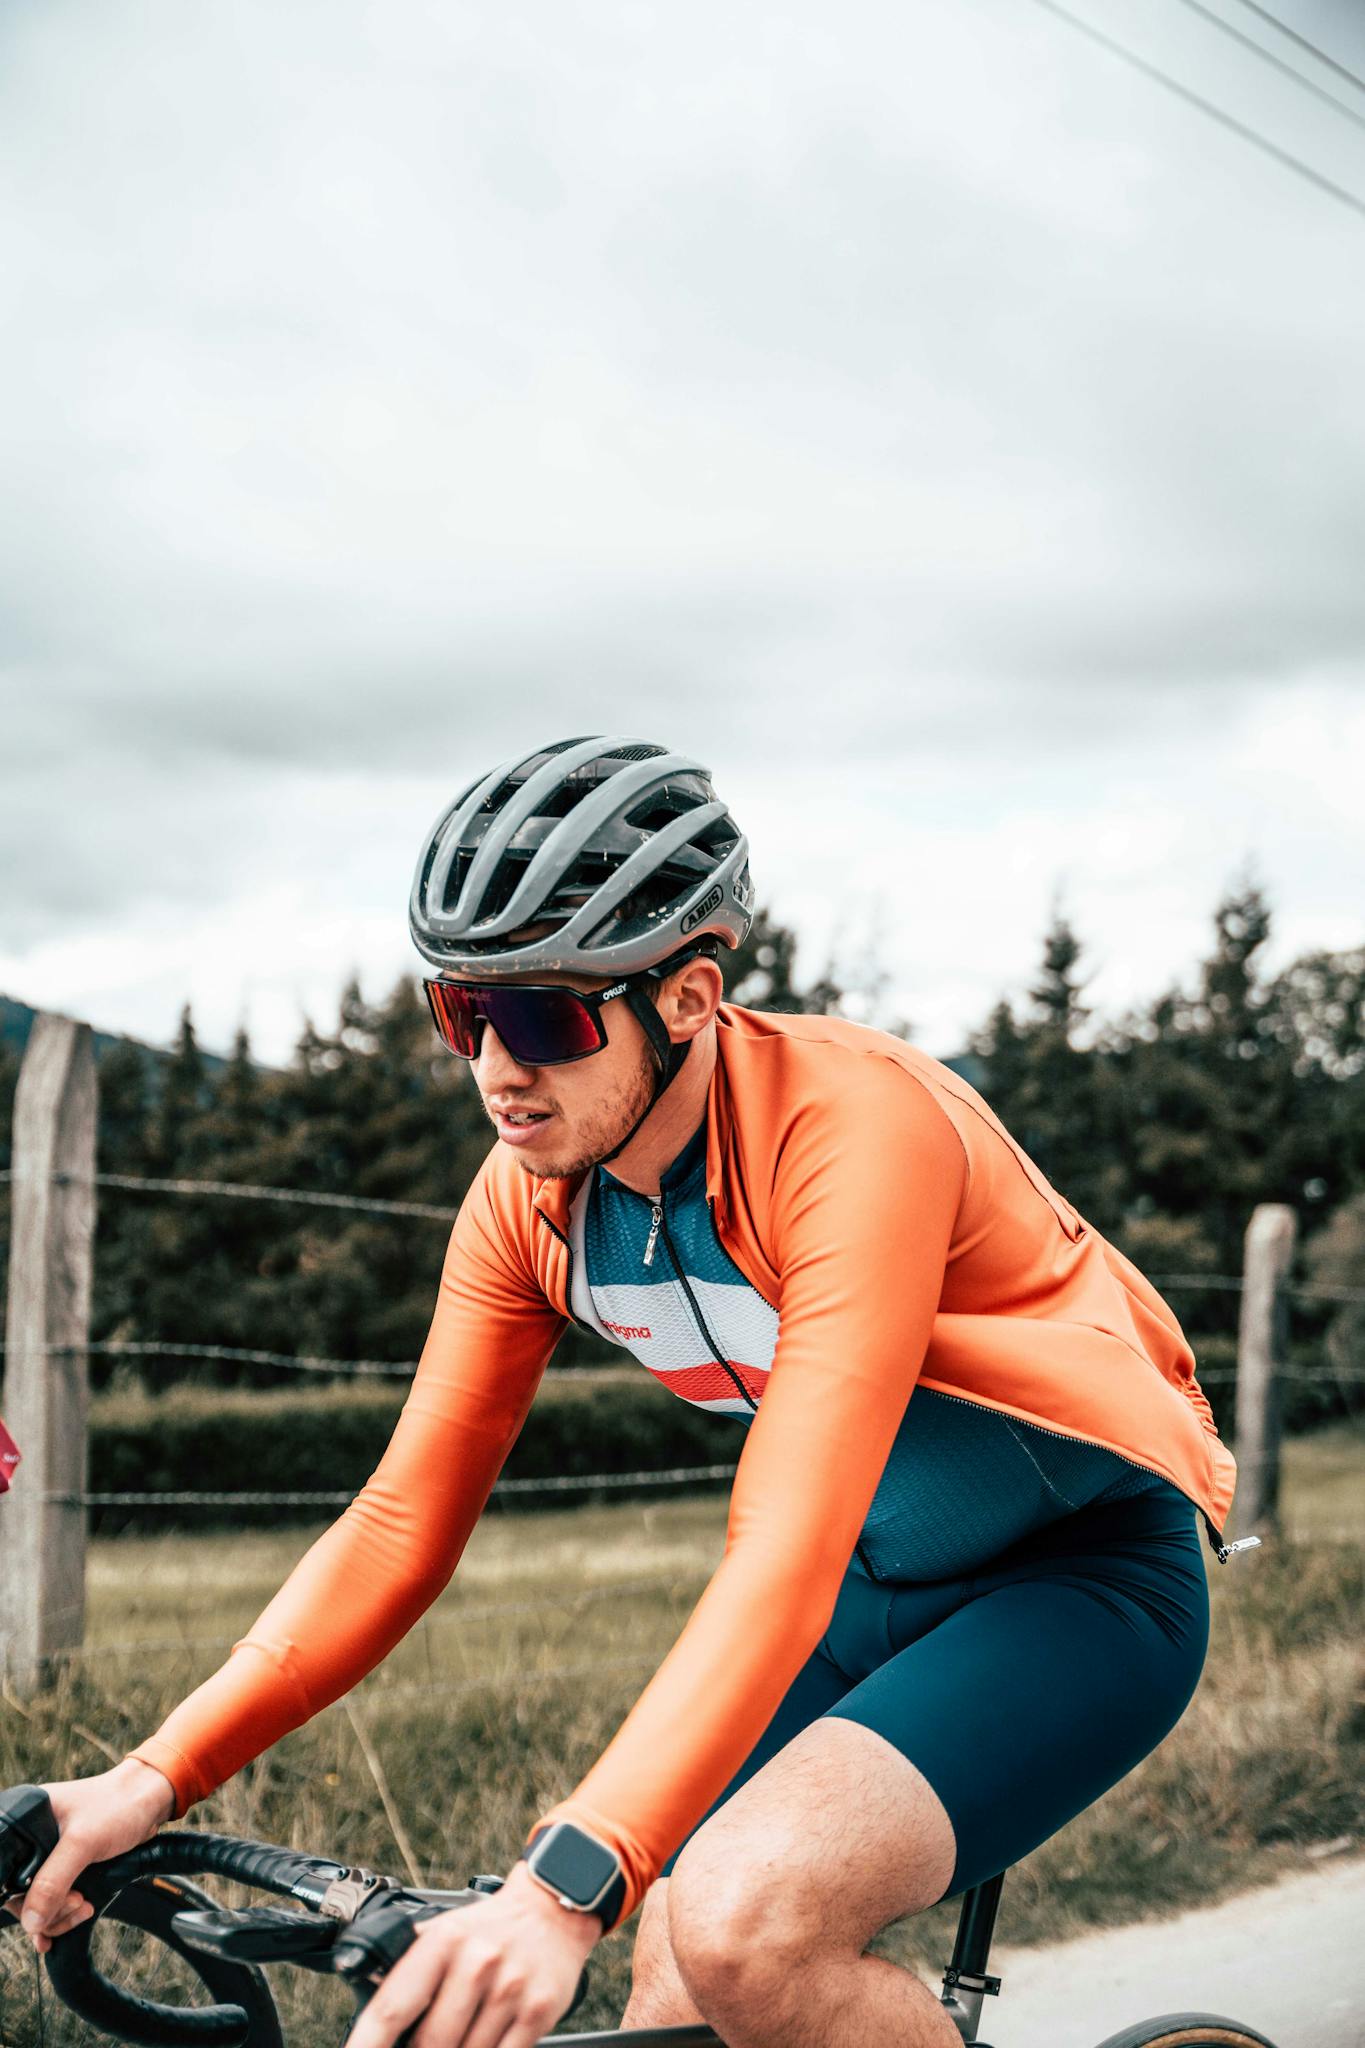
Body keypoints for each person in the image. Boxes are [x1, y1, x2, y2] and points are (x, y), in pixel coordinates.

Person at [14, 737, 1237, 2048]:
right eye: (461, 1013)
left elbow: (783, 1542)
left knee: (737, 1930)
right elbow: (397, 1527)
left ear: (691, 996)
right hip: (859, 1601)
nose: (494, 1066)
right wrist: (153, 1776)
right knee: (672, 1992)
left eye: (541, 1015)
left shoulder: (851, 1130)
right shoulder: (527, 1205)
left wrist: (565, 1884)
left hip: (1076, 1585)